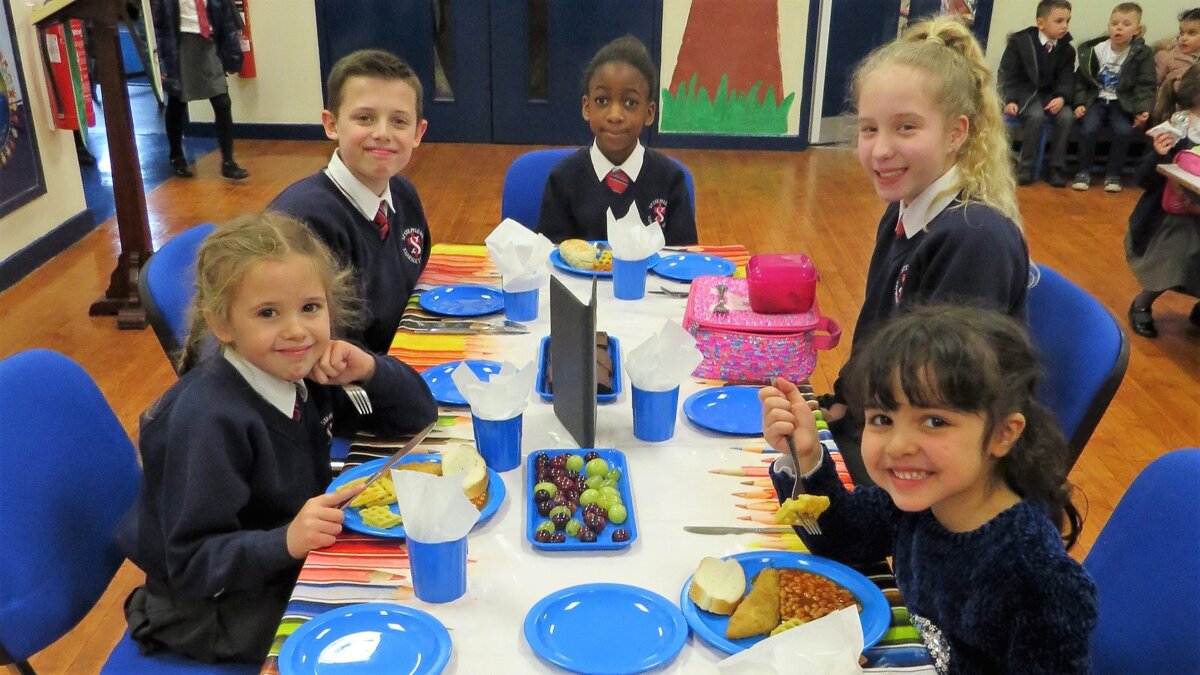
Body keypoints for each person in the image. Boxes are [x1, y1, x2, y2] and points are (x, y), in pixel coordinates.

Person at [117, 212, 437, 663]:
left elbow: (419, 417)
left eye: (311, 308)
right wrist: (285, 540)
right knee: (386, 624)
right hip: (213, 606)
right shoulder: (208, 423)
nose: (296, 330)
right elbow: (190, 565)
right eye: (268, 313)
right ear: (222, 325)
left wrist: (369, 368)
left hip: (278, 556)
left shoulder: (299, 369)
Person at [760, 305, 1097, 672]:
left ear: (1003, 434)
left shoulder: (1036, 581)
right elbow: (845, 538)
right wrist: (806, 457)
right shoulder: (922, 500)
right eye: (882, 419)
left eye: (935, 421)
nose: (899, 445)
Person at [820, 16, 1030, 486]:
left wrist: (832, 455)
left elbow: (942, 412)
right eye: (869, 129)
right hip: (884, 427)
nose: (880, 150)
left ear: (957, 133)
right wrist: (840, 403)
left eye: (906, 128)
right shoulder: (903, 211)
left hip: (924, 472)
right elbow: (877, 335)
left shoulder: (974, 240)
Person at [271, 50, 432, 355]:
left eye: (399, 121)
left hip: (398, 352)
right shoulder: (303, 223)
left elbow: (419, 282)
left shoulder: (404, 195)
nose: (382, 133)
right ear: (331, 125)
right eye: (364, 118)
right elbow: (315, 351)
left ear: (417, 133)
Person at [536, 36, 698, 245]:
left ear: (649, 113)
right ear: (587, 107)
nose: (614, 115)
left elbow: (685, 261)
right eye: (602, 101)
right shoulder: (563, 179)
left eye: (630, 103)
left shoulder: (670, 179)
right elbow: (548, 260)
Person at [1126, 63, 1200, 338]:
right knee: (1177, 248)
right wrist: (1158, 154)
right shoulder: (1176, 128)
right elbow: (1142, 178)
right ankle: (1143, 303)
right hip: (1170, 214)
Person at [150, 0, 249, 180]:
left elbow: (225, 17)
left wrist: (232, 53)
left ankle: (228, 162)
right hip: (181, 44)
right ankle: (176, 156)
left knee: (222, 102)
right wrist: (163, 60)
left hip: (210, 43)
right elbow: (161, 25)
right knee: (177, 102)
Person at [1071, 2, 1156, 193]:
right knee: (1088, 129)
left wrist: (1143, 109)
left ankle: (1113, 174)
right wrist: (1080, 102)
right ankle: (1083, 172)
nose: (1119, 27)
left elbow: (1146, 85)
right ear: (1108, 26)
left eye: (1126, 24)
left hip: (1122, 103)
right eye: (1114, 23)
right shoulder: (1096, 50)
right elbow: (1081, 80)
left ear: (1137, 30)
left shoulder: (1142, 54)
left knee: (1124, 131)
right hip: (1097, 100)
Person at [998, 0, 1076, 187]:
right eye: (1059, 21)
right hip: (1026, 94)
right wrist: (1010, 99)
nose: (1064, 26)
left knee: (1066, 116)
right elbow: (1007, 74)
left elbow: (1067, 77)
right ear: (1041, 23)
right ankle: (1026, 168)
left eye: (1067, 21)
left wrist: (1062, 97)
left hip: (1051, 95)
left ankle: (1055, 168)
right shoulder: (1020, 42)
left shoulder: (1067, 49)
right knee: (1036, 116)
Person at [1151, 8, 1200, 126]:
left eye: (1192, 33)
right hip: (1175, 113)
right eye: (1181, 33)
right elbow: (1152, 84)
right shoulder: (1167, 56)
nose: (1184, 38)